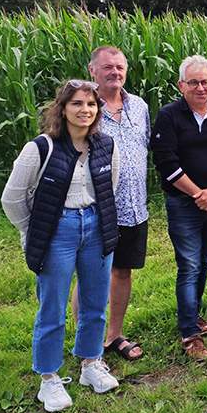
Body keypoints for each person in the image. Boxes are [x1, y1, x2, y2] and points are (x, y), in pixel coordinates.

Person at [2, 80, 121, 412]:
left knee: (96, 300)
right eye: (77, 104)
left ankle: (90, 364)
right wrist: (36, 230)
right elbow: (11, 199)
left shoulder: (106, 145)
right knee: (52, 307)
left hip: (97, 227)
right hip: (59, 231)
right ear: (63, 109)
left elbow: (108, 187)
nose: (85, 110)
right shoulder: (41, 147)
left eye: (92, 105)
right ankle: (49, 379)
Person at [150, 55, 207, 360]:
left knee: (203, 262)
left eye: (205, 82)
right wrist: (198, 195)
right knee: (188, 266)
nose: (200, 88)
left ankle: (193, 317)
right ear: (181, 85)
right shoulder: (168, 116)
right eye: (193, 82)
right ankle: (189, 334)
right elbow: (166, 162)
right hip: (183, 203)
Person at [70, 46, 151, 361]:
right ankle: (87, 341)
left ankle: (114, 335)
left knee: (122, 272)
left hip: (135, 208)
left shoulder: (140, 106)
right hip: (96, 208)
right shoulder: (85, 107)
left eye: (119, 67)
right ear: (93, 71)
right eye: (107, 67)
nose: (114, 72)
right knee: (90, 273)